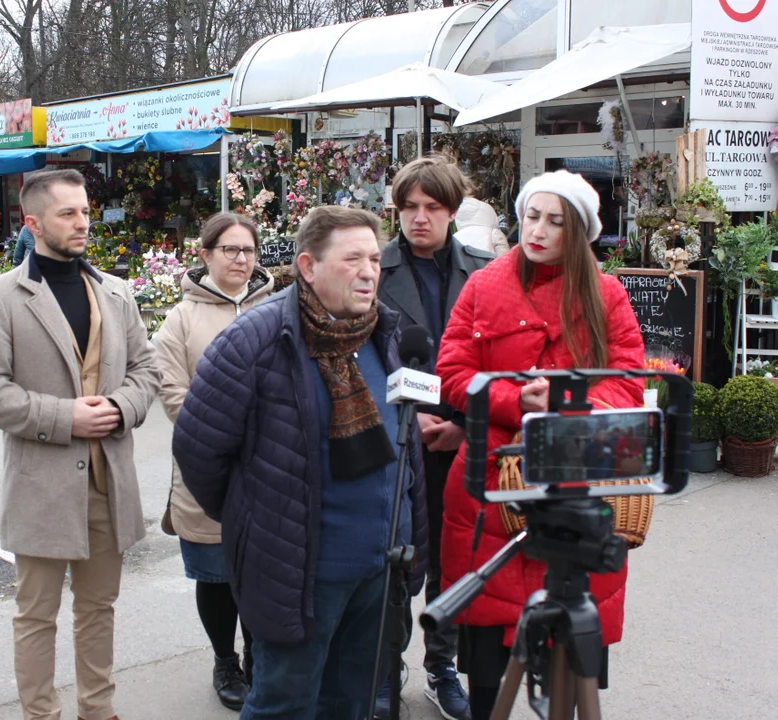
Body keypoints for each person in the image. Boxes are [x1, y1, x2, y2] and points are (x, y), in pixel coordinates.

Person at [173, 205, 429, 720]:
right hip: (299, 574)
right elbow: (199, 449)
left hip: (379, 570)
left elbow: (407, 446)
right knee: (285, 703)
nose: (368, 271)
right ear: (309, 267)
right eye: (352, 258)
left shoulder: (386, 334)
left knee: (352, 702)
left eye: (375, 259)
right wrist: (260, 520)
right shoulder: (256, 340)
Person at [435, 170, 645, 720]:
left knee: (573, 665)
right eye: (532, 216)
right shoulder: (482, 286)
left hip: (578, 473)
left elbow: (627, 381)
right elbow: (453, 371)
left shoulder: (606, 293)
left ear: (577, 230)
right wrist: (514, 403)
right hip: (490, 481)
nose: (539, 230)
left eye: (555, 221)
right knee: (486, 668)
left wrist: (564, 403)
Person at [0, 169, 160, 720]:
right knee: (37, 614)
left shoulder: (115, 292)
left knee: (99, 609)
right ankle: (41, 714)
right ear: (33, 223)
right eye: (67, 213)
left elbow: (147, 370)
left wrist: (122, 408)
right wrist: (64, 417)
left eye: (85, 211)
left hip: (109, 482)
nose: (82, 222)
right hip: (42, 486)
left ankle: (98, 710)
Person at [376, 156, 494, 720]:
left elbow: (498, 361)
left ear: (452, 209)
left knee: (454, 564)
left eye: (432, 207)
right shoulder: (374, 267)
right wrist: (413, 415)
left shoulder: (485, 271)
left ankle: (441, 666)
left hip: (464, 440)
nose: (419, 218)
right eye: (409, 208)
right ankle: (385, 665)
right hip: (397, 441)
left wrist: (465, 425)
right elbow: (362, 355)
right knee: (397, 559)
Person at [153, 212, 274, 711]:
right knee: (217, 574)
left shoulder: (281, 308)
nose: (241, 260)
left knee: (267, 573)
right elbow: (173, 393)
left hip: (274, 466)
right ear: (205, 255)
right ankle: (225, 658)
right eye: (230, 250)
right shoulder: (181, 319)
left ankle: (259, 658)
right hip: (210, 468)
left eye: (248, 250)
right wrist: (233, 432)